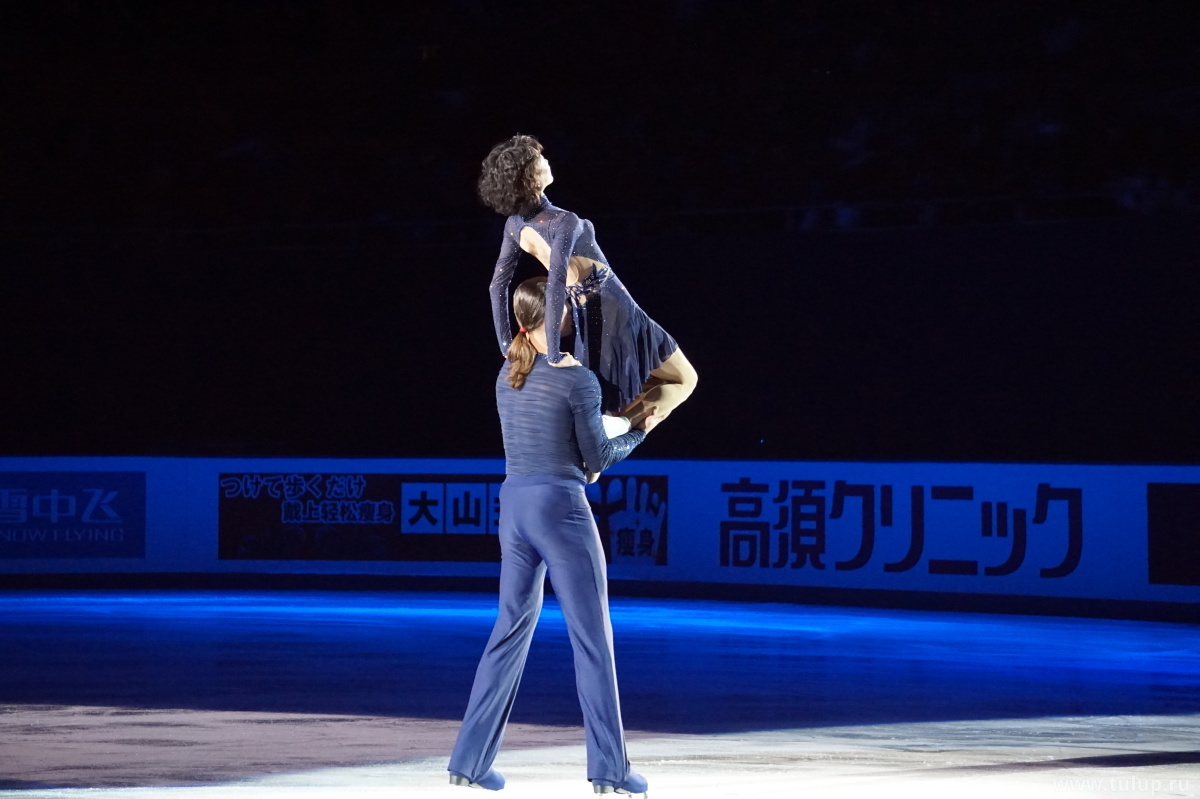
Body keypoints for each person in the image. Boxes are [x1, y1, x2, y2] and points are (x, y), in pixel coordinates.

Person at [447, 277, 652, 796]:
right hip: (560, 509)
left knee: (508, 631)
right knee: (592, 639)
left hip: (515, 506)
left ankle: (467, 762)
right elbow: (597, 458)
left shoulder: (507, 372)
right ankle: (610, 770)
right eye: (565, 307)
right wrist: (637, 431)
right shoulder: (577, 379)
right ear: (553, 314)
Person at [480, 133, 697, 434]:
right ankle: (620, 427)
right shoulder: (563, 220)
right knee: (685, 379)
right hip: (619, 310)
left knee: (620, 401)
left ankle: (615, 428)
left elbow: (497, 286)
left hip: (588, 320)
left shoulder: (515, 225)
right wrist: (554, 354)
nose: (546, 161)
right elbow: (555, 282)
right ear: (530, 177)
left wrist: (506, 345)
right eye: (539, 159)